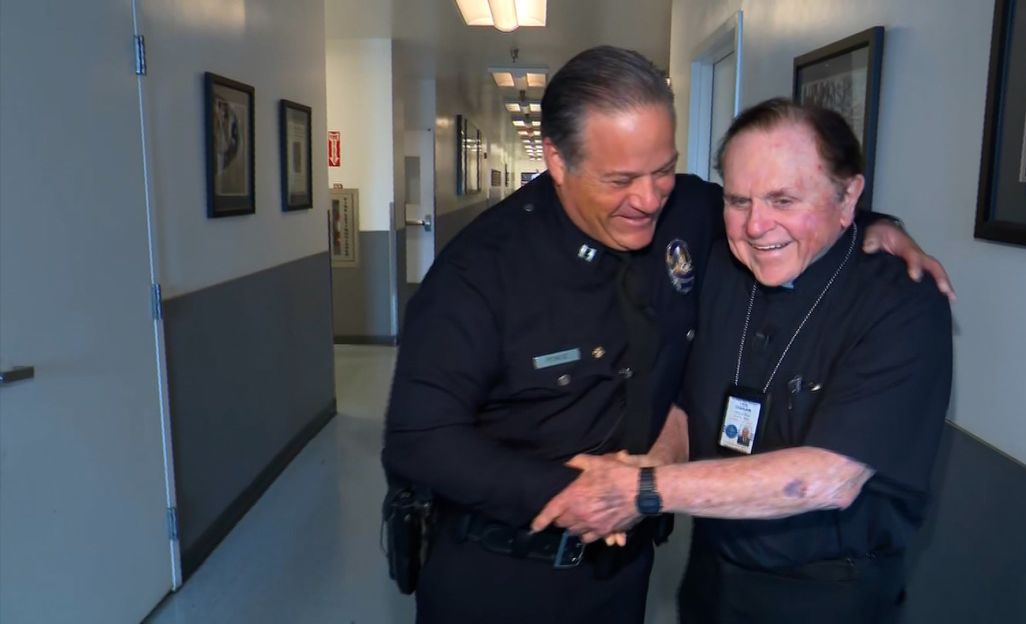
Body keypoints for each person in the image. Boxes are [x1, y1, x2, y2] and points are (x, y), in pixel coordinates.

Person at [384, 46, 950, 624]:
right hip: (502, 577)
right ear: (556, 159)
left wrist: (883, 227)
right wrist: (574, 491)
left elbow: (798, 203)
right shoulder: (479, 272)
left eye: (662, 170)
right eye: (621, 179)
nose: (649, 198)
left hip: (629, 574)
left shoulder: (692, 213)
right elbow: (416, 438)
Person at [531, 98, 954, 623]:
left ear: (848, 199)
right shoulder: (721, 270)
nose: (756, 226)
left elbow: (829, 479)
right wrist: (653, 462)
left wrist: (642, 490)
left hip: (825, 595)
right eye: (739, 201)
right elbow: (687, 407)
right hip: (711, 575)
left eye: (783, 199)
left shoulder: (902, 302)